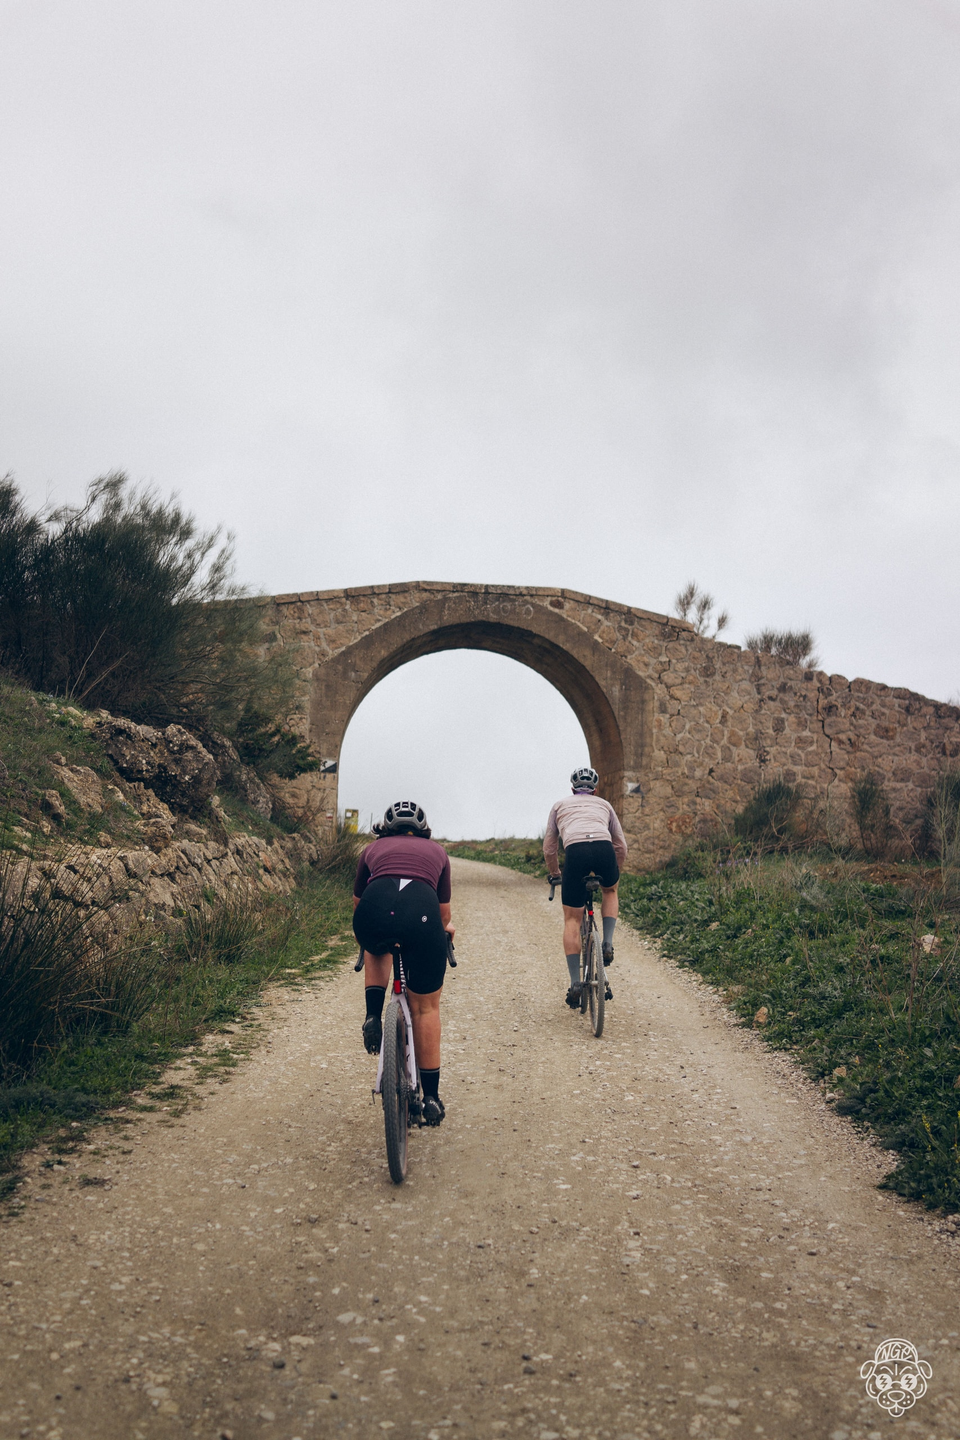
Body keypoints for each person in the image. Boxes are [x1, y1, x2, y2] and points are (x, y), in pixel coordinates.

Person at [352, 800, 454, 1126]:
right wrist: (444, 930)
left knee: (375, 946)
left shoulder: (371, 850)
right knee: (426, 1008)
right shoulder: (438, 852)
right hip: (421, 916)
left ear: (386, 828)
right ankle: (431, 1099)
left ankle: (372, 1015)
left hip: (373, 911)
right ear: (422, 830)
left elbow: (357, 904)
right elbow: (444, 915)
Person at [543, 767, 628, 1009]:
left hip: (576, 852)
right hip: (603, 849)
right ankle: (607, 943)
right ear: (595, 791)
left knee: (572, 919)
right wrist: (614, 871)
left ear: (573, 789)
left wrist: (555, 873)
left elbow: (549, 847)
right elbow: (620, 845)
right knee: (610, 891)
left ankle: (575, 984)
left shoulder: (559, 806)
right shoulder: (605, 805)